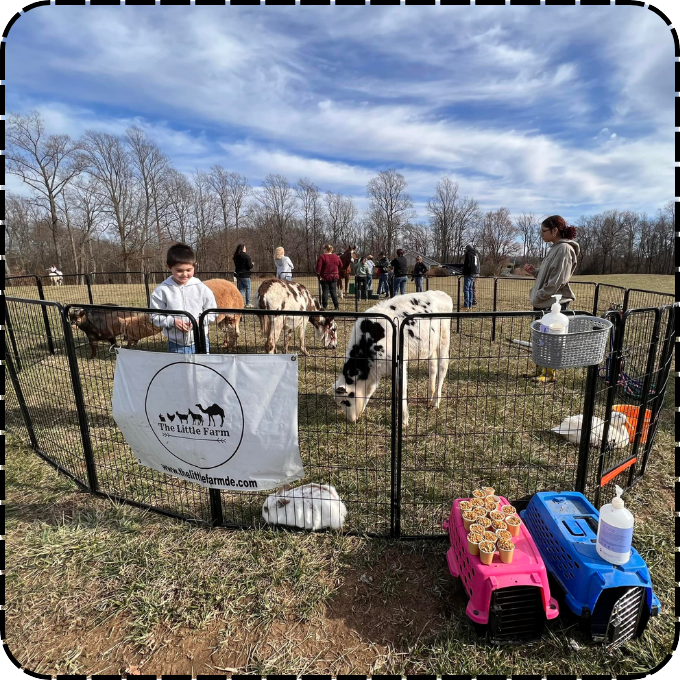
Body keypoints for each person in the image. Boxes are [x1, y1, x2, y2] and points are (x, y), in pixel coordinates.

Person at [523, 215, 580, 383]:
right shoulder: (555, 248)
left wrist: (539, 296)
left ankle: (550, 373)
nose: (541, 234)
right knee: (540, 337)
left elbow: (557, 280)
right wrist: (534, 271)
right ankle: (540, 369)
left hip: (553, 304)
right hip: (543, 302)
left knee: (551, 339)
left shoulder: (564, 249)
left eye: (544, 231)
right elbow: (547, 274)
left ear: (555, 231)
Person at [150, 243, 217, 354]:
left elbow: (212, 312)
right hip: (176, 344)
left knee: (202, 370)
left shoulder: (201, 288)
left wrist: (199, 321)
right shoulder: (162, 290)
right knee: (179, 371)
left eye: (189, 270)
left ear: (194, 266)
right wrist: (172, 321)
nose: (184, 274)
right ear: (168, 267)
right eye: (179, 270)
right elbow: (154, 316)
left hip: (201, 342)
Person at [316, 244, 343, 311]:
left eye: (324, 249)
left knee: (325, 291)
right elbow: (341, 265)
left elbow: (318, 268)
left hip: (325, 277)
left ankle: (324, 306)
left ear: (325, 249)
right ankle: (336, 306)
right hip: (334, 276)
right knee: (333, 292)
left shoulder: (322, 257)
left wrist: (319, 275)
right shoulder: (336, 256)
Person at [462, 244, 480, 310]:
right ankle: (470, 304)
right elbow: (476, 264)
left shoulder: (468, 254)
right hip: (474, 273)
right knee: (471, 289)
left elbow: (467, 264)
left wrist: (464, 271)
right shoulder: (475, 254)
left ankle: (466, 305)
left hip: (468, 273)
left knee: (466, 289)